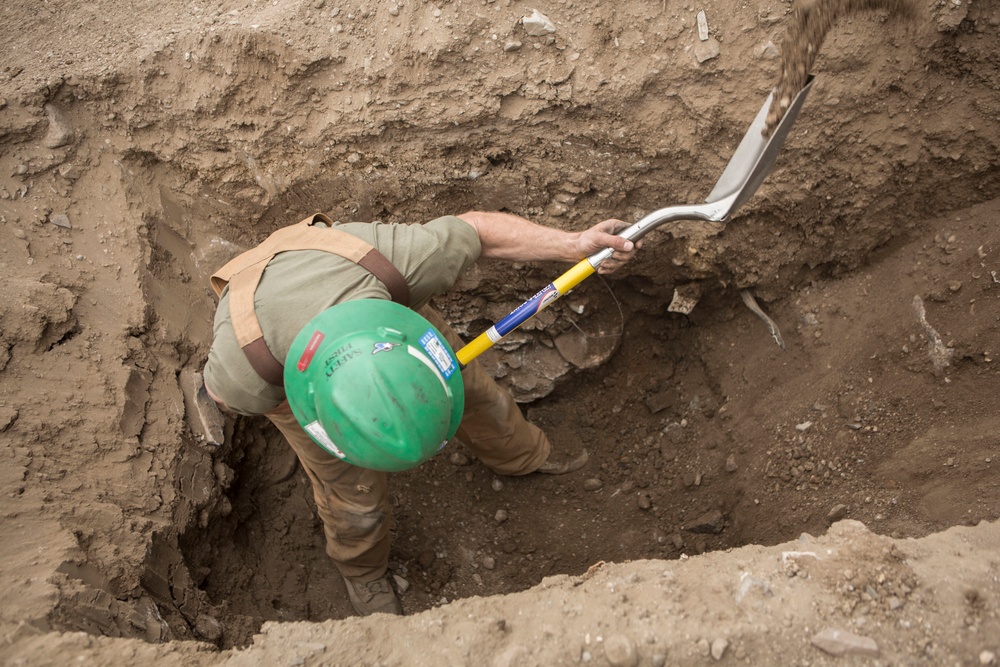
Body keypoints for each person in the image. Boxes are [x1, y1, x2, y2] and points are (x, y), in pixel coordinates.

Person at [202, 210, 639, 616]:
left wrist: (573, 243)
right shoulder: (247, 373)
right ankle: (363, 572)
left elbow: (479, 232)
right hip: (293, 374)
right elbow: (220, 397)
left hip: (386, 320)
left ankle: (523, 455)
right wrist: (306, 408)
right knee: (351, 496)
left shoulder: (394, 263)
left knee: (474, 395)